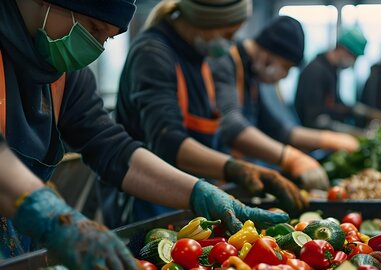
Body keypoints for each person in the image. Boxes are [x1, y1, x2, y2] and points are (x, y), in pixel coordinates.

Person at [0, 0, 288, 270]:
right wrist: (50, 215)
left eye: (107, 38)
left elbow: (111, 147)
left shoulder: (65, 75)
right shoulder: (153, 52)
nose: (97, 48)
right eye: (94, 27)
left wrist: (200, 193)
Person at [111, 0, 307, 228]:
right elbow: (169, 141)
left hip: (188, 198)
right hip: (148, 201)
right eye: (228, 34)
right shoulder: (153, 53)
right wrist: (238, 169)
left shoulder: (199, 59)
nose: (231, 43)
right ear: (202, 21)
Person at [209, 16, 359, 175]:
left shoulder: (252, 76)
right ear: (268, 55)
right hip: (216, 173)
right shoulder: (225, 61)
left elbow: (277, 129)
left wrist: (328, 139)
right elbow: (231, 126)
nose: (285, 76)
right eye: (286, 67)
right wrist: (289, 158)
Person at [295, 28, 381, 132]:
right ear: (342, 49)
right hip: (312, 137)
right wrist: (356, 133)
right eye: (354, 56)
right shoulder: (316, 72)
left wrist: (366, 112)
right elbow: (315, 120)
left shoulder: (331, 71)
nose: (354, 62)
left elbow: (336, 105)